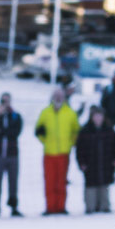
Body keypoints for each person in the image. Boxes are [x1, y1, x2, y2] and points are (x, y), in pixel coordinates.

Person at [35, 88, 80, 216]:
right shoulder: (45, 112)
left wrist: (70, 143)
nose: (58, 98)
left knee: (61, 181)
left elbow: (76, 131)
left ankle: (61, 207)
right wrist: (45, 141)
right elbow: (38, 130)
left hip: (64, 153)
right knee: (50, 181)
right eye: (56, 96)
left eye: (60, 96)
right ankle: (50, 207)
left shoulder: (70, 113)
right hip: (49, 153)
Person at [74, 106, 115, 215]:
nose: (98, 118)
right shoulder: (85, 131)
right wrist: (81, 162)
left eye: (100, 116)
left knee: (104, 185)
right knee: (90, 187)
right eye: (95, 116)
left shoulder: (110, 130)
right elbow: (79, 149)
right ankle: (90, 207)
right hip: (90, 165)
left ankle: (104, 206)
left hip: (106, 164)